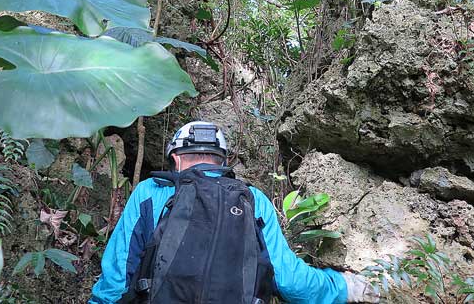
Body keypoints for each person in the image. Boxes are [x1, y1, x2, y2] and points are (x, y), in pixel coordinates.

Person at [89, 121, 380, 304]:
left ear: (175, 159)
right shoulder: (253, 199)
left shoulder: (151, 192)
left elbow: (116, 282)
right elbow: (291, 281)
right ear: (223, 161)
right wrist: (347, 287)